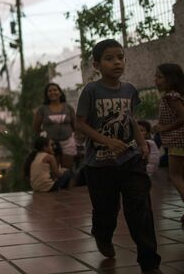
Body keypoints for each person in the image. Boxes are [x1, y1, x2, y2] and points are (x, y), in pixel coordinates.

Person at [75, 39, 161, 274]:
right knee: (106, 211)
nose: (117, 62)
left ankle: (149, 263)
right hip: (99, 165)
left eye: (120, 57)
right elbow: (80, 123)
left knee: (140, 208)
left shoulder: (130, 90)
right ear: (96, 64)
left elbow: (130, 118)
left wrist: (142, 143)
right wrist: (108, 141)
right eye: (110, 58)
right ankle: (102, 235)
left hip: (130, 160)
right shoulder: (91, 91)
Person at [153, 63, 184, 226]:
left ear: (171, 79)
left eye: (159, 77)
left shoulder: (170, 97)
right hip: (178, 141)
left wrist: (163, 128)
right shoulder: (177, 95)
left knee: (175, 175)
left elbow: (182, 117)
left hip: (178, 142)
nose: (155, 80)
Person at [34, 83, 77, 169]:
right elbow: (36, 127)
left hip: (68, 143)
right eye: (49, 91)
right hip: (50, 145)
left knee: (68, 169)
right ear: (47, 94)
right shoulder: (42, 109)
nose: (52, 92)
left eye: (55, 90)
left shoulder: (68, 107)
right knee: (54, 170)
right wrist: (46, 137)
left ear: (60, 93)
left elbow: (75, 126)